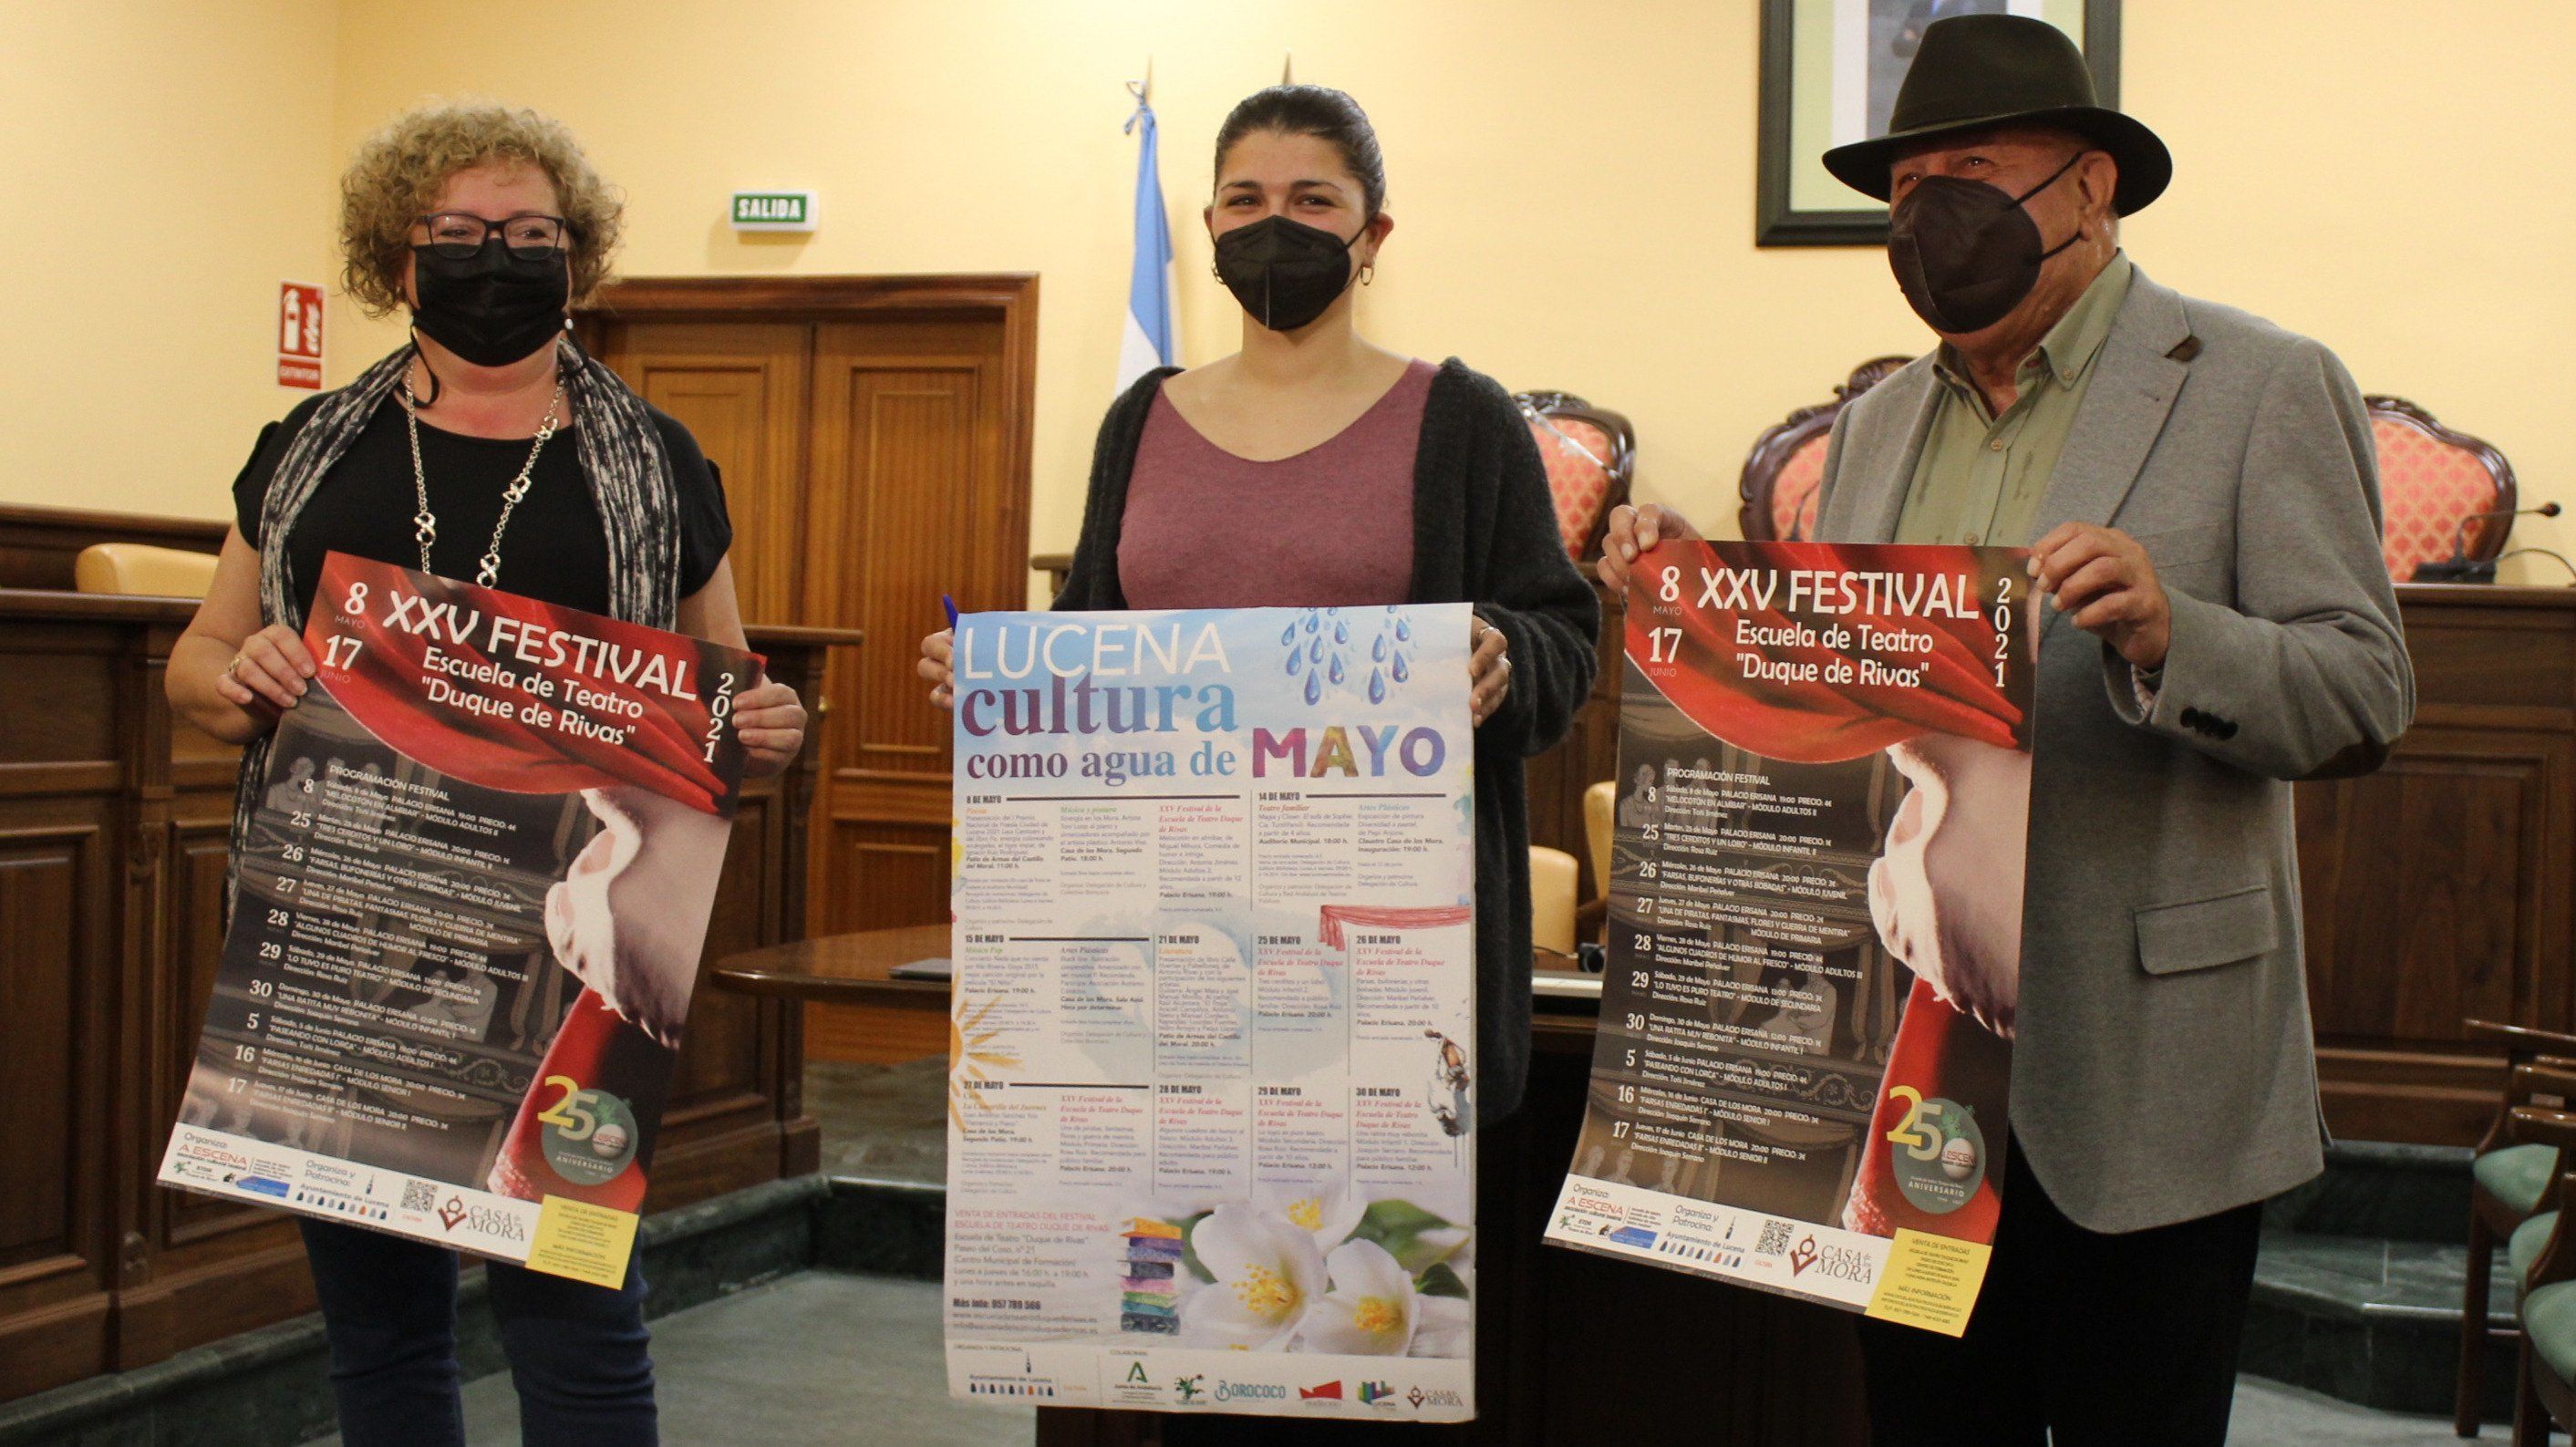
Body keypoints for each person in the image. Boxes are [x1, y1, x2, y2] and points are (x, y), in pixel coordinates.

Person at [1602, 17, 2411, 1445]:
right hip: (1916, 1081)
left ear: (2090, 187)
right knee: (1928, 1426)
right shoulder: (1871, 423)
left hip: (2145, 1078)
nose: (1930, 220)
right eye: (1905, 196)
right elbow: (1849, 702)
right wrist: (1693, 601)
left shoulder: (2258, 384)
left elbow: (2360, 695)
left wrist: (2175, 632)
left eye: (1971, 172)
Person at [919, 85, 1598, 1440]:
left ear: (1372, 233)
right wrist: (995, 687)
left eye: (1310, 203)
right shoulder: (1142, 419)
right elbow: (1093, 648)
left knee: (1368, 1354)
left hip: (1381, 995)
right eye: (1242, 202)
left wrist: (1504, 658)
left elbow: (1562, 636)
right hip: (1156, 971)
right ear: (1209, 222)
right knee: (1187, 1341)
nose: (1270, 228)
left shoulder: (1458, 421)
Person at [167, 100, 806, 1447]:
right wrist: (236, 679)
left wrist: (764, 722)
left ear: (577, 256)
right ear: (394, 261)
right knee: (379, 1330)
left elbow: (727, 676)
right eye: (455, 233)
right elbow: (200, 654)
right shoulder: (308, 450)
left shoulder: (658, 460)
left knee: (576, 1313)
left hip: (573, 961)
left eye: (530, 233)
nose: (494, 257)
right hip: (348, 925)